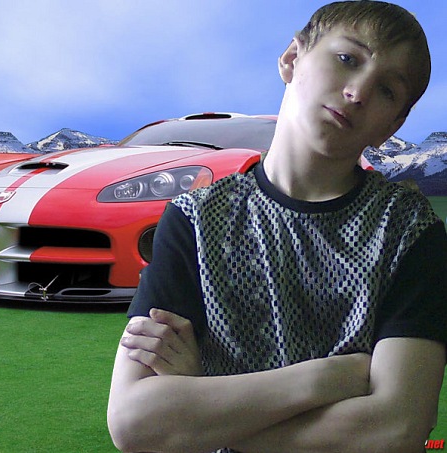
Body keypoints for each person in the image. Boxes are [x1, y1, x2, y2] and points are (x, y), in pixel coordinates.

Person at [107, 1, 447, 452]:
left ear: (394, 125)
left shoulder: (409, 231)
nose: (357, 92)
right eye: (347, 58)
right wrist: (323, 378)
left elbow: (395, 431)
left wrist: (202, 407)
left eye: (386, 90)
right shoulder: (194, 219)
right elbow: (133, 421)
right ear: (292, 58)